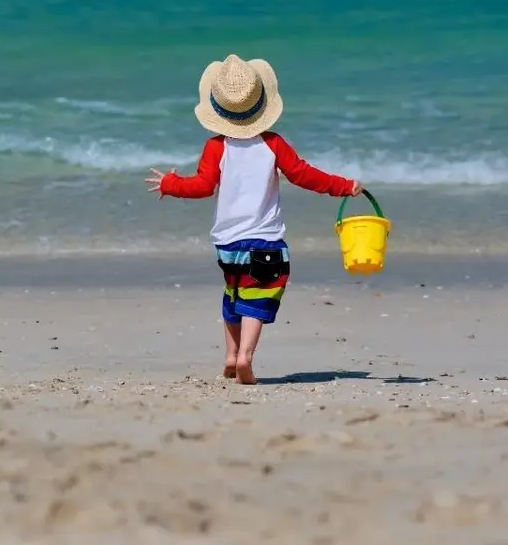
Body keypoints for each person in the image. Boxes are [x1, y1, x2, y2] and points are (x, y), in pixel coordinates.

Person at [144, 54, 362, 385]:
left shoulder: (216, 147)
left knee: (232, 294)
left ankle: (231, 356)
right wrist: (343, 186)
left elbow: (202, 187)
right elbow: (304, 175)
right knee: (257, 297)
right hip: (266, 240)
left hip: (227, 242)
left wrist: (170, 184)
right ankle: (246, 356)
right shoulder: (273, 144)